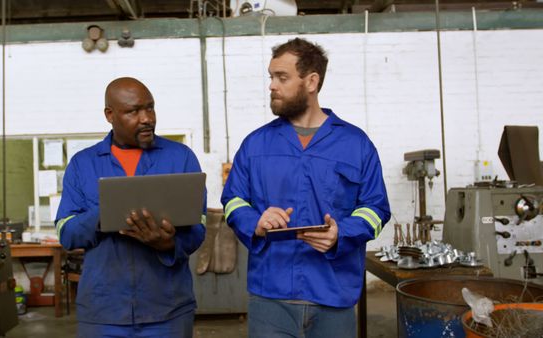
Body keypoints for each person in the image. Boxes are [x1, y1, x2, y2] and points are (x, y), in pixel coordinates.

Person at [221, 38, 390, 337]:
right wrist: (256, 222)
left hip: (334, 296)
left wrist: (342, 233)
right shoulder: (255, 144)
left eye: (282, 77)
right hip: (270, 297)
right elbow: (233, 200)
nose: (272, 86)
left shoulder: (356, 144)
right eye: (271, 77)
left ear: (311, 81)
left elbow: (376, 209)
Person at [56, 77, 206, 338]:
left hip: (167, 310)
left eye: (150, 107)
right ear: (110, 115)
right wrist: (106, 212)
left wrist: (168, 244)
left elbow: (198, 228)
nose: (146, 118)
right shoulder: (83, 164)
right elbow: (67, 234)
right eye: (133, 111)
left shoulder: (180, 157)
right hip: (103, 312)